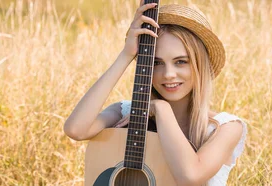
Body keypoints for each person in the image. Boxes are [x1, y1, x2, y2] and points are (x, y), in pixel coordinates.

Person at [63, 3, 247, 186]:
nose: (168, 74)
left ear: (199, 64)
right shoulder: (127, 113)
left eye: (180, 62)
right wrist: (127, 55)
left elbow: (189, 176)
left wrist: (161, 108)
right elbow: (76, 129)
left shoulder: (224, 128)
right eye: (157, 63)